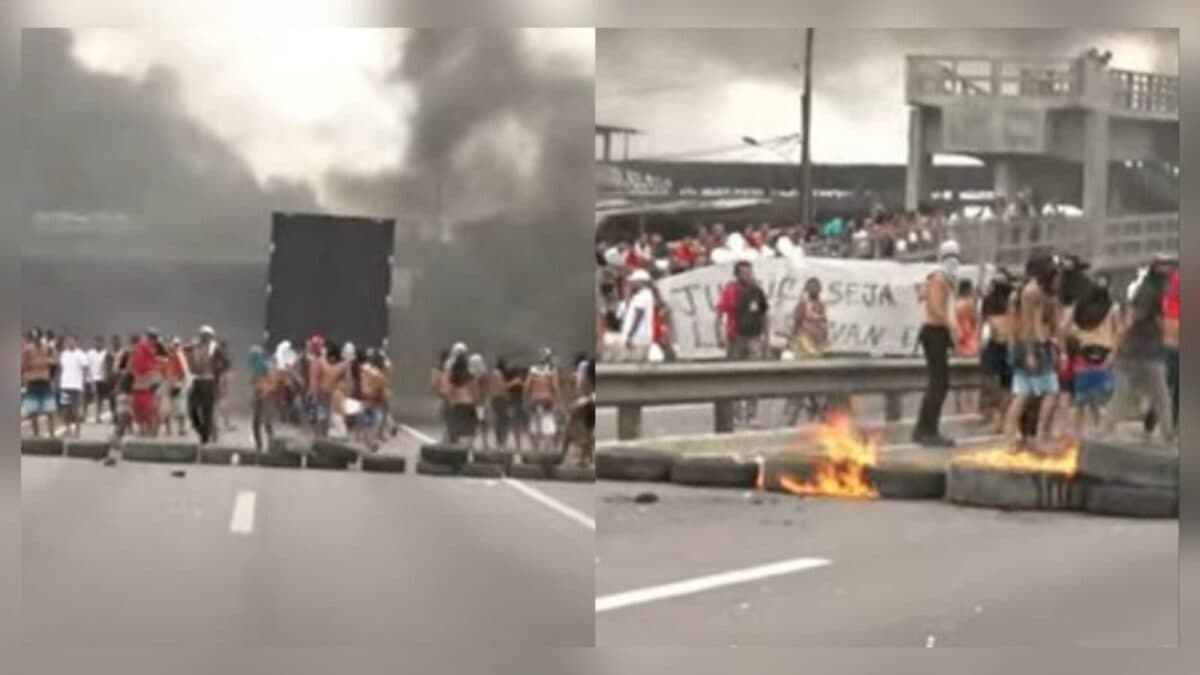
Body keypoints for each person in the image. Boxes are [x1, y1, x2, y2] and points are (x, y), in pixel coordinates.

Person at [1103, 256, 1175, 445]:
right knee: (1160, 397)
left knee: (1126, 395)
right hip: (1141, 353)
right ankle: (1168, 437)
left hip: (1142, 351)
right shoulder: (1148, 292)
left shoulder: (1153, 291)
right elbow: (1130, 320)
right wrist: (1115, 349)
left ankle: (1106, 430)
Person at [1002, 254, 1060, 449]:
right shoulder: (1032, 292)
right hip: (1033, 344)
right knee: (1049, 391)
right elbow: (1029, 325)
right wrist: (1030, 352)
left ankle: (1012, 436)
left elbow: (1015, 324)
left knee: (1024, 393)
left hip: (1025, 344)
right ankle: (1039, 435)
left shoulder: (1019, 292)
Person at [912, 240, 961, 447]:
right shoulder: (939, 278)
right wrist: (951, 325)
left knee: (939, 383)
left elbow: (922, 295)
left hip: (936, 333)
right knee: (938, 384)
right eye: (950, 256)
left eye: (956, 256)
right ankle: (927, 430)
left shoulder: (940, 279)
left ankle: (925, 429)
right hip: (934, 332)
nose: (954, 261)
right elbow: (934, 306)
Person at [716, 260, 770, 426]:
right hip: (736, 337)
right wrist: (718, 334)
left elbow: (764, 314)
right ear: (737, 274)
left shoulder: (757, 291)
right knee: (735, 376)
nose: (747, 275)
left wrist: (766, 337)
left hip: (754, 337)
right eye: (743, 273)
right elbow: (720, 313)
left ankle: (752, 414)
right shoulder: (731, 290)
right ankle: (736, 414)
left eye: (749, 272)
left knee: (754, 376)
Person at [1067, 279, 1120, 434]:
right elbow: (1119, 332)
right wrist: (1114, 353)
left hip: (1082, 356)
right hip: (1105, 357)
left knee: (1080, 401)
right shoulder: (1113, 308)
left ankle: (1076, 435)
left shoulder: (1079, 308)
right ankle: (1103, 433)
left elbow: (1066, 328)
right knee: (1102, 401)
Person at [784, 277, 830, 425]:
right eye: (811, 287)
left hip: (818, 349)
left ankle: (819, 413)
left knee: (819, 385)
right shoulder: (802, 305)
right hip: (804, 348)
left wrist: (825, 341)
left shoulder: (821, 305)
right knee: (802, 384)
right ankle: (793, 418)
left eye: (817, 287)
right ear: (807, 289)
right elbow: (796, 325)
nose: (814, 290)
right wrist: (790, 344)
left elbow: (824, 325)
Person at [978, 271, 1015, 432]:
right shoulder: (989, 300)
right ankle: (997, 416)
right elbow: (984, 321)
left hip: (1007, 343)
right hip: (994, 343)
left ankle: (1002, 417)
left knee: (1005, 383)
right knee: (993, 381)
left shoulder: (1012, 299)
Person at [186, 325, 222, 444]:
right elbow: (185, 352)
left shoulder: (214, 348)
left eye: (206, 336)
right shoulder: (195, 346)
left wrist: (216, 371)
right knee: (192, 409)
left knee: (207, 411)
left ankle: (205, 437)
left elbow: (225, 363)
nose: (203, 338)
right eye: (202, 335)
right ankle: (202, 431)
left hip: (209, 380)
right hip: (196, 380)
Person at [21, 331, 58, 438]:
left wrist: (52, 374)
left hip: (45, 382)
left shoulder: (48, 348)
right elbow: (23, 366)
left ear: (41, 337)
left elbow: (55, 362)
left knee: (50, 410)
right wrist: (25, 380)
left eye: (38, 337)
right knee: (33, 411)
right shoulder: (27, 350)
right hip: (32, 382)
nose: (36, 339)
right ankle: (36, 435)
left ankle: (52, 435)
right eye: (34, 338)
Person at [524, 348, 561, 451]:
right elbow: (555, 386)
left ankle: (535, 449)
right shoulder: (552, 370)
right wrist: (558, 400)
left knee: (534, 424)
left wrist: (526, 399)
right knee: (548, 424)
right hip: (547, 400)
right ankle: (546, 449)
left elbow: (527, 386)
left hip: (534, 400)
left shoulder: (533, 370)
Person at [441, 351, 479, 445]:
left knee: (455, 432)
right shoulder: (470, 375)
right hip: (469, 404)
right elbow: (475, 391)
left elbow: (447, 391)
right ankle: (468, 451)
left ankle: (455, 451)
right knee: (470, 432)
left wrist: (449, 400)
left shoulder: (452, 375)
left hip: (456, 404)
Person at [618, 269, 656, 362]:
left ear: (640, 282)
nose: (631, 284)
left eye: (633, 282)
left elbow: (638, 317)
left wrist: (630, 336)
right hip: (639, 338)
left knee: (632, 364)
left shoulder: (643, 295)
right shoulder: (643, 295)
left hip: (637, 339)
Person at [248, 345, 276, 452]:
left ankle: (272, 443)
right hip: (257, 395)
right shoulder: (254, 366)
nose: (253, 358)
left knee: (267, 421)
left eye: (254, 355)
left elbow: (272, 381)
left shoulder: (266, 365)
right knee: (255, 421)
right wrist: (253, 391)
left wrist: (266, 391)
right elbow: (252, 381)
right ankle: (258, 445)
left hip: (266, 395)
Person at [160, 338, 190, 437]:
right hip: (167, 384)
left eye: (176, 345)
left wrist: (178, 382)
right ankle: (168, 429)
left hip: (178, 385)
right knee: (166, 409)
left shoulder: (180, 356)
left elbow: (184, 372)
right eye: (174, 345)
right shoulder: (166, 357)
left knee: (180, 408)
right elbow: (162, 371)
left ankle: (182, 428)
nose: (174, 347)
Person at [488, 357, 512, 449]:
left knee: (499, 420)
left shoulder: (494, 373)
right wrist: (513, 383)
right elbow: (502, 386)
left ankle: (500, 440)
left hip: (495, 398)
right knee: (503, 421)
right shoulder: (498, 374)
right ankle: (502, 440)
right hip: (500, 399)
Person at [83, 336, 106, 425]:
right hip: (90, 379)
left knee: (100, 399)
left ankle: (98, 416)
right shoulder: (90, 353)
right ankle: (84, 415)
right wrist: (86, 378)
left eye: (100, 342)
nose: (98, 344)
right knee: (87, 398)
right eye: (97, 342)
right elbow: (86, 366)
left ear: (102, 343)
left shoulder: (105, 353)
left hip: (101, 379)